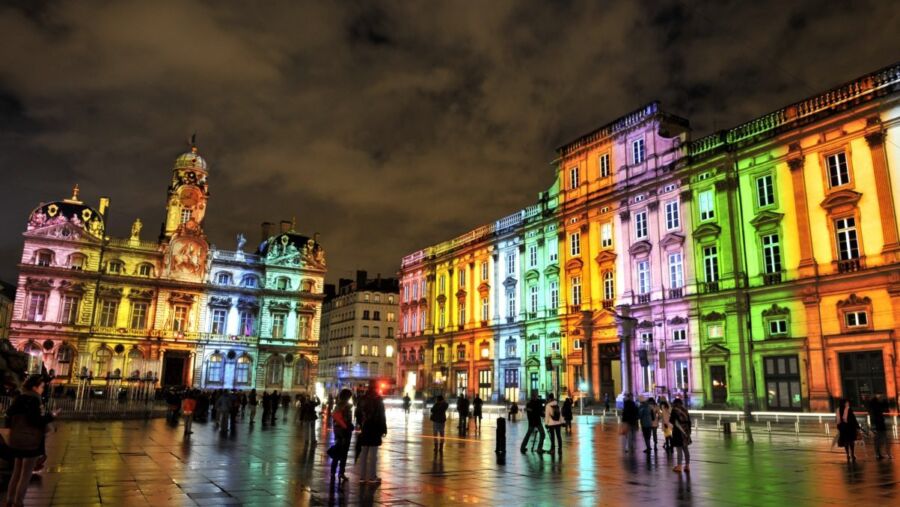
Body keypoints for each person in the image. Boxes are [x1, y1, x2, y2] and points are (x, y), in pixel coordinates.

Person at [6, 375, 58, 507]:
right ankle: (18, 502)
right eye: (41, 387)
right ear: (35, 387)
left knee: (16, 472)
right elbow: (36, 421)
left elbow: (10, 414)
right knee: (26, 474)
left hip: (17, 440)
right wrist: (51, 416)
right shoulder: (34, 400)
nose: (42, 390)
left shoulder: (20, 398)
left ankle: (9, 500)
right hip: (30, 441)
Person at [358, 382, 387, 485]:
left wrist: (360, 425)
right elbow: (382, 416)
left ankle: (362, 476)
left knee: (364, 453)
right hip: (375, 428)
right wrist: (384, 429)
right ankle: (372, 476)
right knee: (373, 455)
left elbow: (357, 413)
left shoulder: (362, 399)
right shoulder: (378, 400)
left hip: (365, 428)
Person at [329, 389, 353, 484]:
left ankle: (335, 472)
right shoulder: (343, 406)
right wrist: (346, 426)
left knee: (338, 452)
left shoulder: (340, 405)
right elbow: (338, 417)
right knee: (342, 453)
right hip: (343, 432)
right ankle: (339, 473)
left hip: (339, 431)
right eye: (349, 396)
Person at [670, 398, 692, 472]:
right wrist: (689, 431)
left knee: (679, 449)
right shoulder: (685, 410)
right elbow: (689, 421)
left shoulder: (674, 410)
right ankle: (687, 466)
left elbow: (671, 421)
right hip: (686, 431)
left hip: (678, 432)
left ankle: (679, 466)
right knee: (686, 449)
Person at [868, 394, 893, 460]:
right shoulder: (875, 408)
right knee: (882, 439)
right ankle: (884, 453)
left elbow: (885, 406)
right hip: (878, 425)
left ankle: (879, 454)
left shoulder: (874, 407)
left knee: (879, 440)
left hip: (878, 425)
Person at [836, 398, 860, 462]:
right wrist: (857, 425)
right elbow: (853, 418)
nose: (848, 403)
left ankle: (847, 454)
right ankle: (852, 454)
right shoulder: (848, 409)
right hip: (849, 427)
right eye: (847, 402)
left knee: (845, 441)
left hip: (842, 428)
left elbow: (837, 419)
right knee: (851, 441)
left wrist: (839, 427)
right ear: (845, 403)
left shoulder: (838, 409)